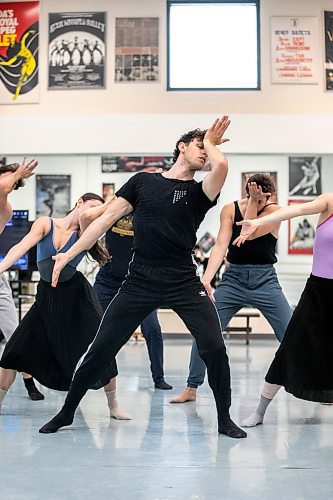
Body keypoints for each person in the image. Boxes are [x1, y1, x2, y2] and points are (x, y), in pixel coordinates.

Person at [39, 116, 247, 439]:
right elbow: (104, 220)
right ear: (181, 146)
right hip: (140, 280)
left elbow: (221, 168)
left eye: (207, 147)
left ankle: (224, 419)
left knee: (214, 346)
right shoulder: (142, 183)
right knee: (101, 348)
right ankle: (67, 412)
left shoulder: (198, 192)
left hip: (183, 280)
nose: (205, 153)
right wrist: (69, 253)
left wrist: (210, 143)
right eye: (198, 144)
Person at [0, 193, 129, 420]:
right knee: (13, 351)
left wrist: (108, 207)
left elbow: (90, 217)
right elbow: (21, 246)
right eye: (92, 207)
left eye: (99, 211)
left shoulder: (85, 231)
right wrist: (1, 269)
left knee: (102, 347)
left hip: (77, 297)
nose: (94, 213)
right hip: (46, 297)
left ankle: (113, 405)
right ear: (78, 203)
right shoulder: (45, 223)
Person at [169, 174, 293, 404]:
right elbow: (221, 245)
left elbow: (251, 233)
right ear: (248, 192)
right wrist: (206, 278)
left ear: (270, 196)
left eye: (264, 199)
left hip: (265, 279)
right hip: (233, 279)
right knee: (206, 330)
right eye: (255, 197)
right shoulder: (229, 209)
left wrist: (256, 205)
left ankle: (315, 384)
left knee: (292, 333)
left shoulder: (276, 211)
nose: (261, 201)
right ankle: (191, 387)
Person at [232, 194, 333, 427]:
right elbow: (296, 211)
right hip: (317, 293)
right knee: (290, 349)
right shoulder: (329, 202)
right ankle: (259, 411)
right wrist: (258, 222)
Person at [93, 212, 172, 390]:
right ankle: (85, 371)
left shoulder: (150, 213)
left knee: (152, 328)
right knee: (92, 322)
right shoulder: (114, 209)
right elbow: (90, 224)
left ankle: (158, 378)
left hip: (140, 282)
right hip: (108, 280)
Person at [0, 158, 44, 400]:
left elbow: (3, 188)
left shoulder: (4, 209)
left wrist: (17, 175)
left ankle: (29, 381)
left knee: (14, 336)